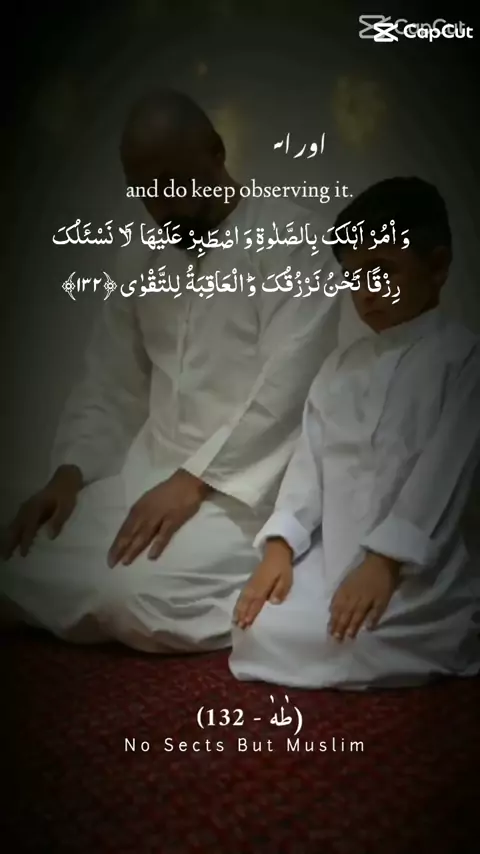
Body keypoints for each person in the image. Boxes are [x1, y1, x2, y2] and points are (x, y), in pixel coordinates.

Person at [0, 89, 340, 652]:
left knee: (131, 597)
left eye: (175, 185)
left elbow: (287, 392)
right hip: (147, 479)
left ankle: (278, 566)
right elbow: (110, 384)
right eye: (146, 192)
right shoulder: (139, 257)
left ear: (216, 152)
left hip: (244, 494)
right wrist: (69, 474)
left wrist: (193, 481)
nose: (162, 207)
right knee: (15, 557)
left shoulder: (292, 243)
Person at [230, 176, 480, 689]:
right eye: (354, 275)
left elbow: (441, 478)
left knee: (355, 638)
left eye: (383, 271)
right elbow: (307, 472)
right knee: (256, 626)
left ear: (437, 267)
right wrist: (280, 549)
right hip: (333, 559)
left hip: (416, 569)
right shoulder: (338, 368)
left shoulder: (463, 358)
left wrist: (384, 563)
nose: (366, 291)